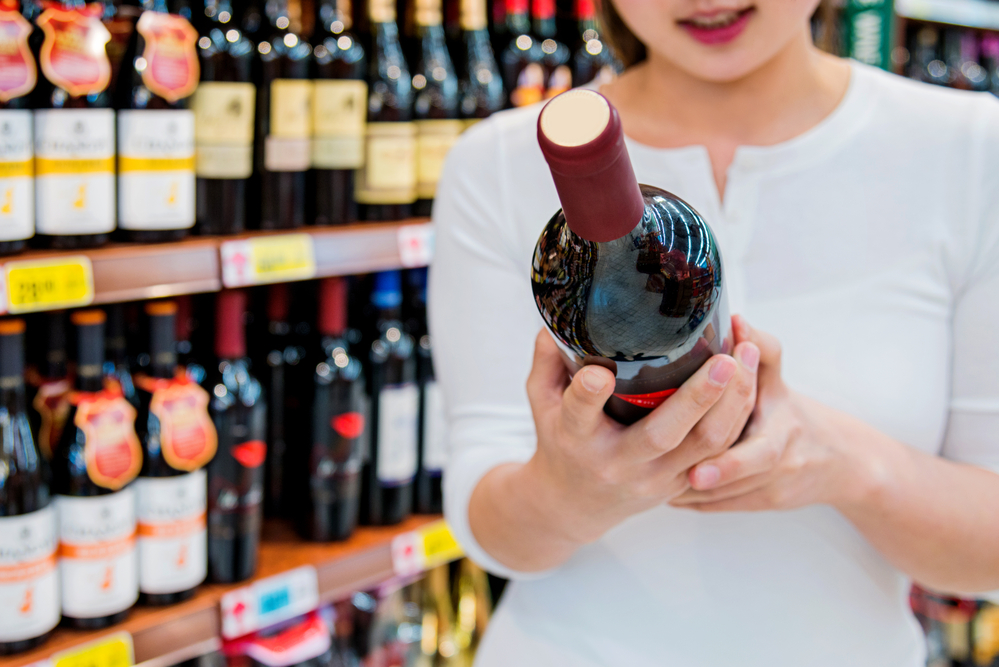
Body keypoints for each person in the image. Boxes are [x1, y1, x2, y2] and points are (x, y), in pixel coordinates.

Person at [427, 0, 999, 662]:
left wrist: (841, 461)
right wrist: (567, 493)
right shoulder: (495, 164)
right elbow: (484, 521)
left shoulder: (971, 151)